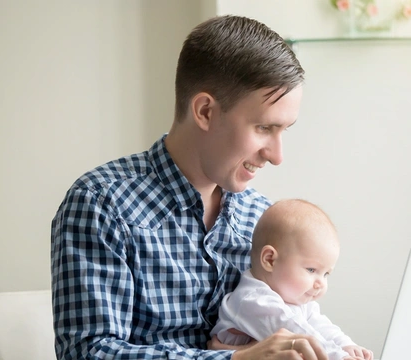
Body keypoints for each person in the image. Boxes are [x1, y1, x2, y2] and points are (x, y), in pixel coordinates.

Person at [50, 15, 329, 360]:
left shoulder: (262, 218)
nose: (276, 155)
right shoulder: (102, 205)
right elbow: (88, 354)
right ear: (205, 111)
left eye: (284, 130)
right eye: (263, 128)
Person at [210, 199, 373, 360]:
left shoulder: (296, 301)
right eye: (311, 270)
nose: (321, 284)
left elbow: (321, 325)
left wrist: (346, 346)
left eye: (326, 274)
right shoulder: (253, 300)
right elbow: (299, 333)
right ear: (270, 260)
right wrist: (339, 356)